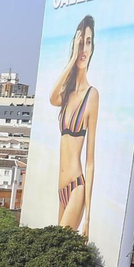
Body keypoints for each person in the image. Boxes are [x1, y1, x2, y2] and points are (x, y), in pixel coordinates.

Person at [50, 14, 99, 236]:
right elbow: (52, 98)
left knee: (58, 244)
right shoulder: (67, 94)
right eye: (80, 42)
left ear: (92, 47)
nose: (83, 49)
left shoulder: (92, 95)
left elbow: (90, 160)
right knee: (56, 249)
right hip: (61, 187)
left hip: (77, 185)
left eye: (88, 42)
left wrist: (89, 216)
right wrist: (72, 59)